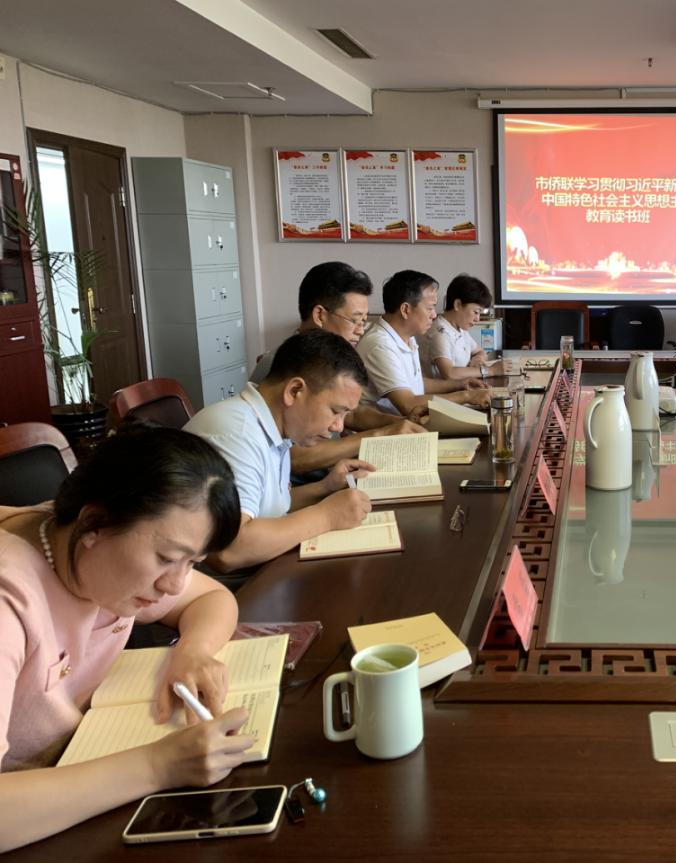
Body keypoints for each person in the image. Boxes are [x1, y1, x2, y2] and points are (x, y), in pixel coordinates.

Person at [0, 426, 254, 852]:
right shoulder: (10, 597)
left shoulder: (87, 553)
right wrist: (158, 766)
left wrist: (193, 651)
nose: (175, 585)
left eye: (192, 562)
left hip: (81, 769)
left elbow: (212, 599)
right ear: (94, 524)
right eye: (167, 559)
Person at [185, 329, 374, 572]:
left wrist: (325, 487)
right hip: (232, 586)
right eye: (336, 411)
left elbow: (269, 510)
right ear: (294, 391)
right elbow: (229, 549)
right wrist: (327, 516)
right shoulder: (236, 434)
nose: (338, 426)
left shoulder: (274, 428)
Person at [249, 262, 425, 476]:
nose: (360, 330)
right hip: (305, 486)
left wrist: (401, 424)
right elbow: (294, 457)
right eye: (355, 320)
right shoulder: (283, 364)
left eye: (364, 321)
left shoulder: (331, 359)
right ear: (320, 315)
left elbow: (351, 414)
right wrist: (380, 435)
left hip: (333, 473)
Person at [356, 270, 490, 417]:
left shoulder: (407, 337)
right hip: (386, 427)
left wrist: (460, 385)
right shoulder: (380, 344)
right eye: (430, 308)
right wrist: (466, 396)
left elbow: (417, 384)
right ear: (405, 310)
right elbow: (408, 404)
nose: (434, 315)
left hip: (409, 422)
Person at [419, 274, 504, 382]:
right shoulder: (439, 332)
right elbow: (449, 373)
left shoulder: (459, 329)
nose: (477, 319)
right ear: (458, 305)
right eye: (476, 312)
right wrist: (490, 371)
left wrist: (478, 359)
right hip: (445, 391)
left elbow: (480, 351)